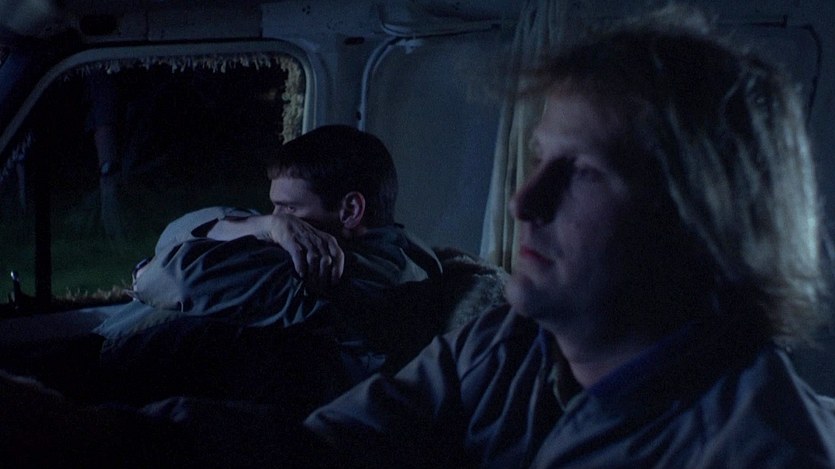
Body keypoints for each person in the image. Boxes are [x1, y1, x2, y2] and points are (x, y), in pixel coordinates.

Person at [289, 7, 835, 468]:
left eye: (585, 172)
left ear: (703, 222)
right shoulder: (512, 341)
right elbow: (330, 446)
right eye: (539, 158)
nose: (523, 202)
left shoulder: (759, 452)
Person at [86, 124, 443, 412]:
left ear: (350, 210)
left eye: (288, 209)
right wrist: (265, 225)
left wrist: (256, 229)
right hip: (121, 351)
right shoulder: (401, 247)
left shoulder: (329, 269)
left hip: (113, 364)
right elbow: (173, 236)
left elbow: (169, 277)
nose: (278, 220)